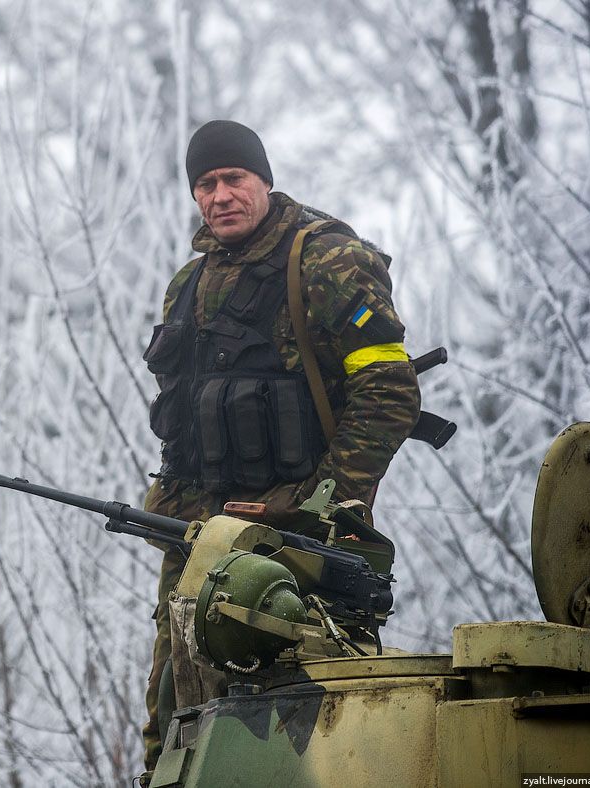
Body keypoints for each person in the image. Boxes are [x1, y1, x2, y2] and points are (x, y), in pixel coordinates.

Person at [140, 120, 421, 772]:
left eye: (234, 178)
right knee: (174, 730)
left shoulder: (327, 261)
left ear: (263, 179)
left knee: (321, 731)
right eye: (205, 184)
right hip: (203, 542)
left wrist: (322, 507)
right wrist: (173, 512)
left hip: (302, 540)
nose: (220, 195)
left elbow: (388, 391)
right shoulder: (189, 285)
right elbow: (185, 416)